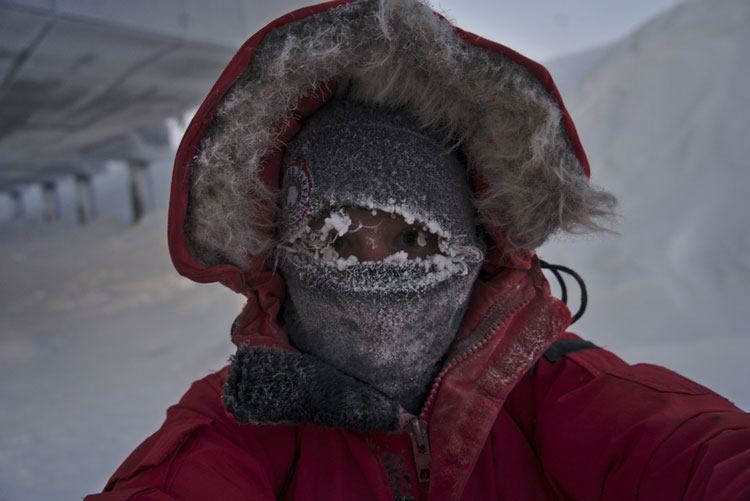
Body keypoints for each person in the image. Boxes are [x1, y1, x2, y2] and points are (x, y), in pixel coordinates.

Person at [86, 1, 750, 499]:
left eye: (414, 239)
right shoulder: (238, 423)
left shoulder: (565, 396)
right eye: (339, 240)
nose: (376, 268)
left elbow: (697, 453)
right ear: (285, 250)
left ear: (473, 245)